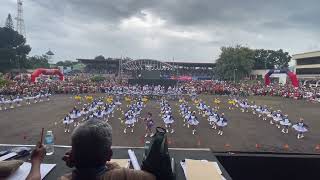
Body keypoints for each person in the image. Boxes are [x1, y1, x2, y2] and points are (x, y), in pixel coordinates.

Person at [27, 120, 156, 180]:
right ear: (109, 155)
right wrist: (113, 166)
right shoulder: (123, 175)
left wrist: (36, 161)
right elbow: (153, 177)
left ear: (72, 154)